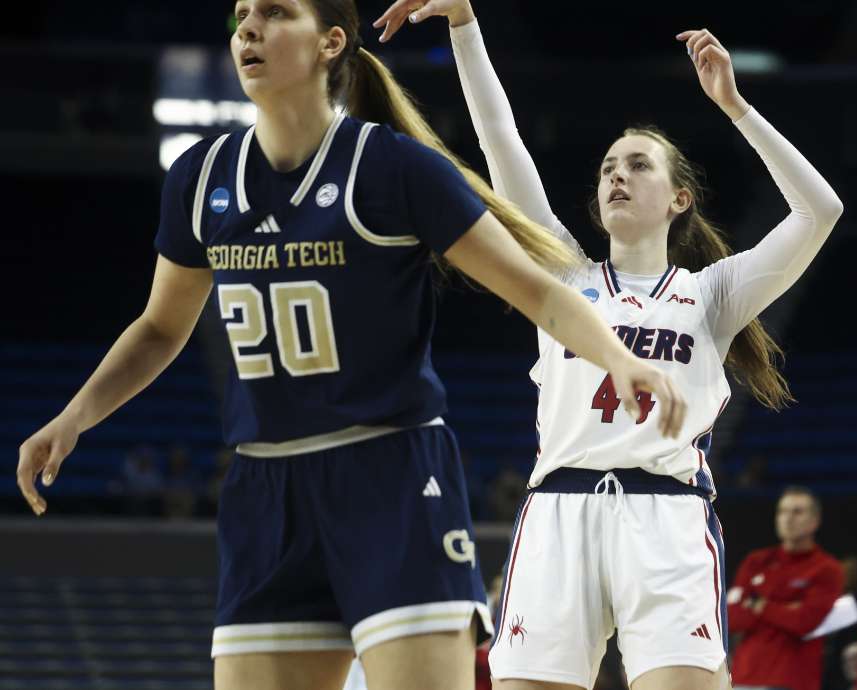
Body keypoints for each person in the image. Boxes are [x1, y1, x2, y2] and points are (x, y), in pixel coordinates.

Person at [15, 2, 688, 689]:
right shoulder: (200, 179)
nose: (247, 28)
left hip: (392, 476)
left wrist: (622, 360)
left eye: (274, 13)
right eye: (242, 13)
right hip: (264, 488)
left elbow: (537, 290)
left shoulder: (395, 168)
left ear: (330, 42)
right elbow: (160, 328)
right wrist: (74, 417)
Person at [374, 2, 845, 688]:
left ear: (680, 198)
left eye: (637, 165)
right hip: (557, 512)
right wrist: (465, 28)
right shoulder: (562, 276)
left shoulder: (710, 294)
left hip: (666, 519)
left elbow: (820, 210)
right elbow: (503, 145)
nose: (617, 175)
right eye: (607, 168)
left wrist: (736, 107)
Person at [727, 487, 845, 690]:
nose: (788, 519)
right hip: (744, 676)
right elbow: (732, 617)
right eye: (782, 511)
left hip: (793, 679)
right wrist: (787, 607)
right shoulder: (756, 561)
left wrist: (758, 604)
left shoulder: (827, 568)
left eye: (797, 512)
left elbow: (804, 622)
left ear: (815, 521)